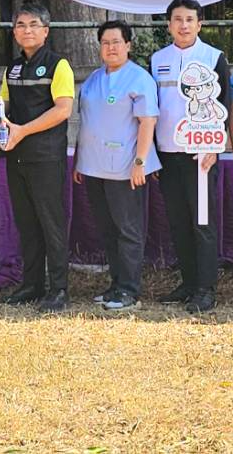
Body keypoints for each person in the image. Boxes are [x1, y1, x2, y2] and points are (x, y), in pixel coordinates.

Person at [150, 0, 233, 314]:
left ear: (200, 23)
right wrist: (152, 154)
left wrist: (214, 147)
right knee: (178, 221)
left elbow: (225, 105)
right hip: (168, 153)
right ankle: (188, 282)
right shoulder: (158, 58)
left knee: (202, 222)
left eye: (189, 19)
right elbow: (151, 107)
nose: (183, 25)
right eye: (177, 19)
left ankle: (205, 288)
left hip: (201, 155)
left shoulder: (213, 57)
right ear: (169, 24)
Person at [74, 19, 159, 311]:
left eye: (116, 42)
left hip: (126, 166)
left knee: (128, 229)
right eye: (105, 43)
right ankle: (115, 284)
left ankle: (129, 289)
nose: (111, 48)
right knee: (108, 229)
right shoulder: (94, 78)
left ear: (128, 45)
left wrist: (140, 161)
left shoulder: (139, 78)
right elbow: (87, 122)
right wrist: (80, 161)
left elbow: (148, 121)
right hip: (95, 166)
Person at [0, 2, 76, 312]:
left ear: (46, 31)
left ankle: (59, 289)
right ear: (14, 31)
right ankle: (32, 285)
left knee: (51, 224)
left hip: (45, 158)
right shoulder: (12, 68)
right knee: (27, 224)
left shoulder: (60, 66)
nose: (26, 30)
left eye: (33, 25)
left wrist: (22, 131)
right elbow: (2, 109)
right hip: (15, 157)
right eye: (20, 25)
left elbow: (63, 109)